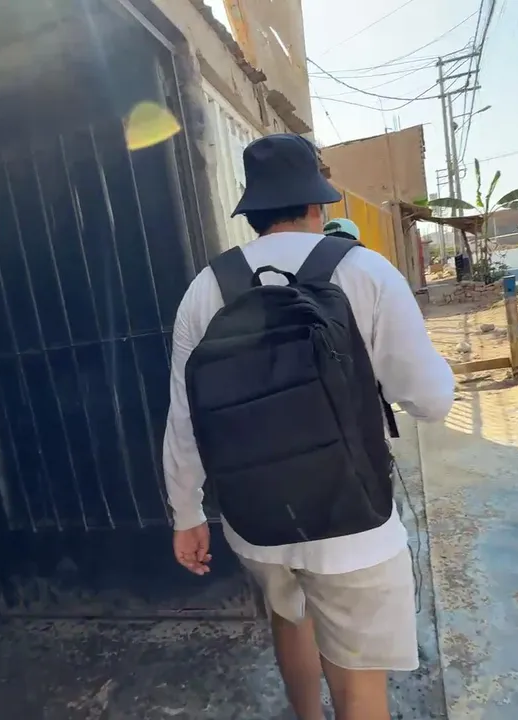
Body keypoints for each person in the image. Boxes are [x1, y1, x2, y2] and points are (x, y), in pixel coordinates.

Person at [162, 133, 454, 720]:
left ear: (253, 211)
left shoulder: (205, 289)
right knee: (358, 685)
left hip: (258, 521)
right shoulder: (366, 271)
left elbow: (185, 415)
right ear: (318, 204)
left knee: (290, 620)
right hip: (354, 524)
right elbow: (429, 400)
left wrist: (187, 513)